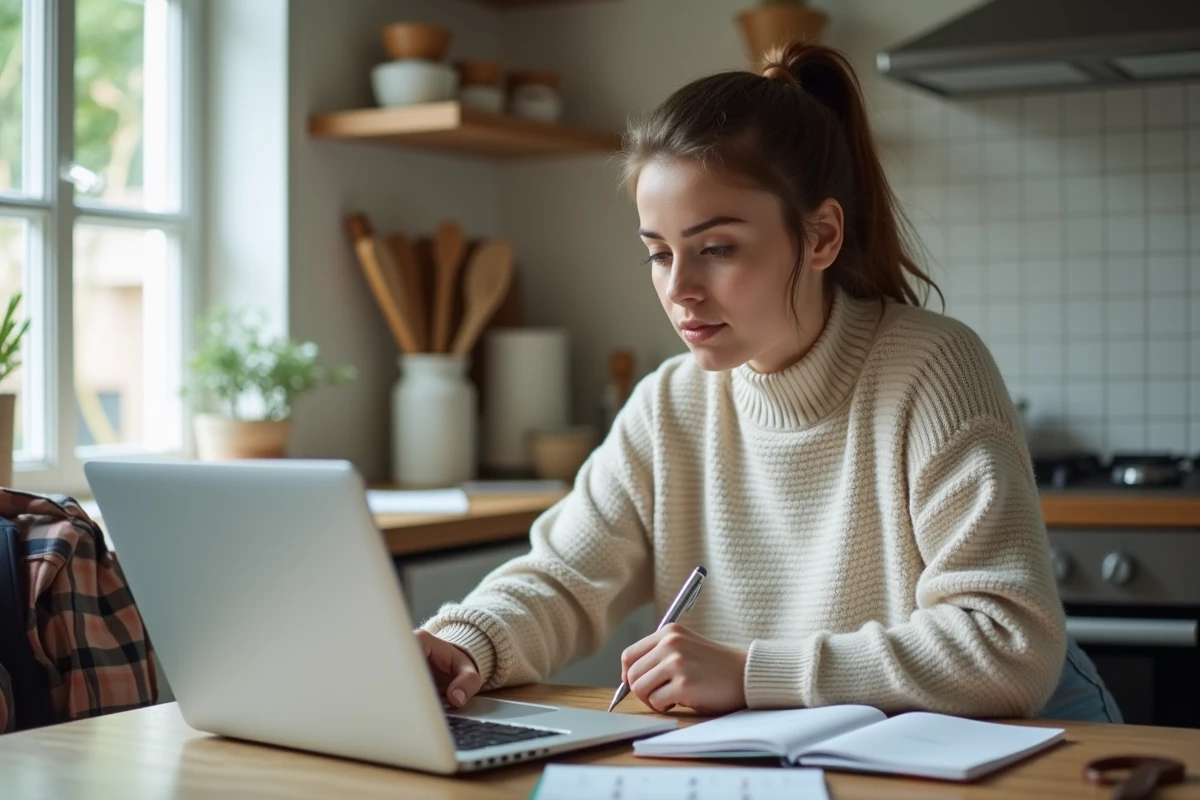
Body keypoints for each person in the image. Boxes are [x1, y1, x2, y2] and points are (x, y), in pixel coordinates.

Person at [416, 42, 1119, 723]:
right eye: (658, 254)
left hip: (1041, 745)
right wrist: (467, 642)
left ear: (821, 237)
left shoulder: (932, 369)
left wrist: (752, 673)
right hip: (824, 759)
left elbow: (1007, 644)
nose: (680, 289)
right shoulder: (669, 404)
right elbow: (563, 580)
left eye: (717, 248)